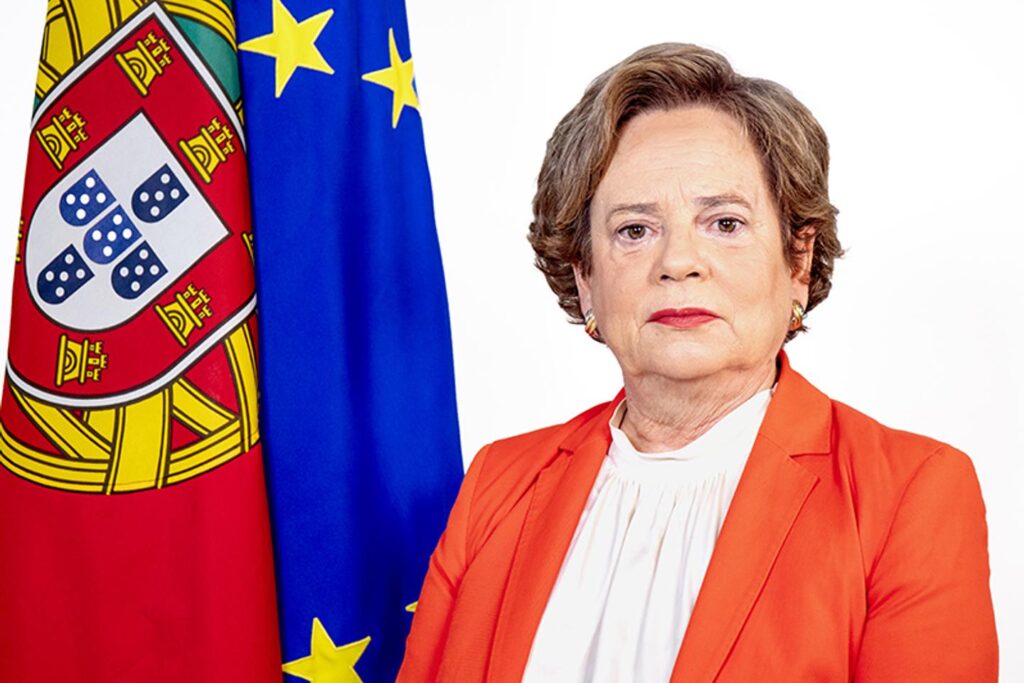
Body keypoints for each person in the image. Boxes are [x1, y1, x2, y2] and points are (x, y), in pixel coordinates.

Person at [397, 43, 998, 682]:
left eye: (725, 223)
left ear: (798, 261)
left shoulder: (906, 494)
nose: (678, 262)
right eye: (634, 230)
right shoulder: (497, 484)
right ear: (585, 277)